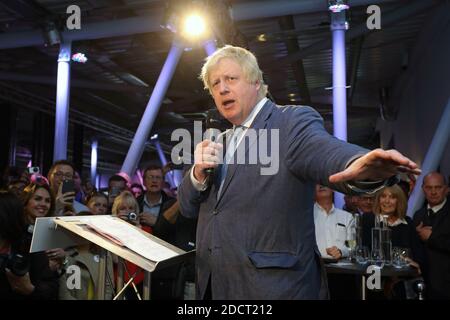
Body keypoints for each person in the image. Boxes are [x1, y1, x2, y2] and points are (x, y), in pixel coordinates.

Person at [178, 45, 420, 300]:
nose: (222, 88)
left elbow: (323, 150)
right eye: (215, 84)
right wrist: (197, 174)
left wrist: (357, 163)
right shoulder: (218, 142)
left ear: (256, 82)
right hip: (215, 287)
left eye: (231, 79)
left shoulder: (290, 122)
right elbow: (186, 207)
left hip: (272, 289)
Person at [0, 190, 59, 299]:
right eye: (37, 199)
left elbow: (51, 288)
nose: (43, 204)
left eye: (47, 201)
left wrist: (30, 289)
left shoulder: (28, 244)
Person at [413, 172, 450, 299]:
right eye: (429, 188)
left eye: (438, 187)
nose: (433, 192)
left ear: (447, 189)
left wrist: (431, 237)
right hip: (422, 285)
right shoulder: (418, 214)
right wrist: (415, 235)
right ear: (423, 189)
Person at [313, 184, 353, 260]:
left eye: (324, 181)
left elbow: (352, 246)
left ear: (334, 188)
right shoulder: (306, 216)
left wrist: (341, 251)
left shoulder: (347, 217)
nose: (321, 184)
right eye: (317, 182)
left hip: (341, 269)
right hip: (314, 267)